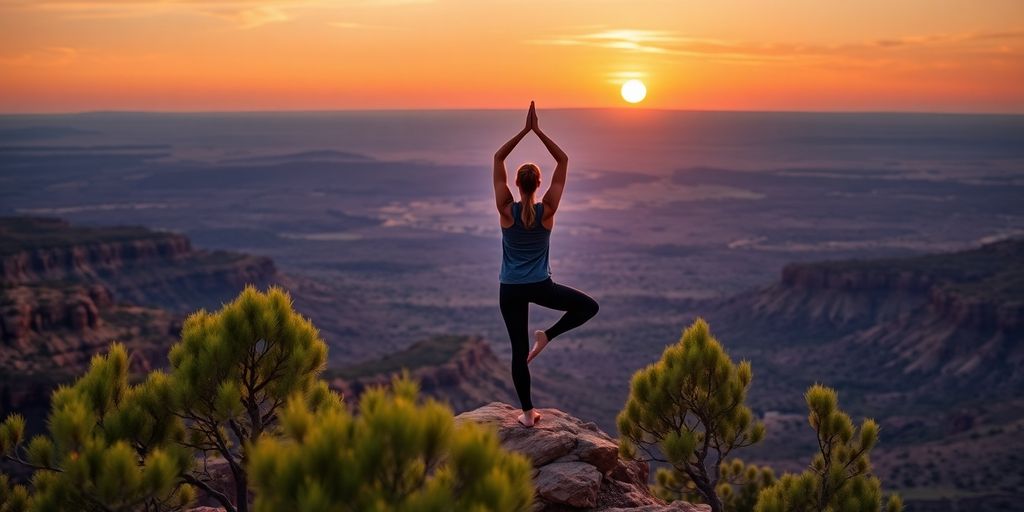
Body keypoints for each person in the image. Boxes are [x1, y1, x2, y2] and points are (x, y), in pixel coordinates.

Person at [493, 101, 600, 428]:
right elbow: (563, 160)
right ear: (539, 184)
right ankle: (549, 335)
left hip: (510, 289)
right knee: (588, 307)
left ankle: (527, 415)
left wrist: (523, 131)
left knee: (518, 352)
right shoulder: (547, 211)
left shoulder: (506, 210)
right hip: (541, 286)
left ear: (517, 184)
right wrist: (538, 132)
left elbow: (498, 159)